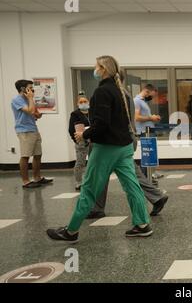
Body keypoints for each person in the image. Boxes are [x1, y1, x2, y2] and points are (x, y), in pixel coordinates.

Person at [47, 55, 152, 243]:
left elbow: (101, 124)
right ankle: (142, 224)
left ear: (103, 69)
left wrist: (84, 135)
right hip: (124, 146)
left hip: (107, 147)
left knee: (88, 188)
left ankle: (71, 231)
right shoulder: (120, 91)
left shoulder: (102, 92)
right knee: (132, 185)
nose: (94, 69)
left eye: (96, 66)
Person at [86, 70, 169, 219]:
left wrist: (86, 134)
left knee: (100, 174)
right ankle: (156, 197)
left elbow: (104, 121)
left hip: (111, 141)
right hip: (125, 139)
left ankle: (96, 208)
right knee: (131, 173)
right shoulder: (125, 95)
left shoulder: (108, 93)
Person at [11, 80, 53, 189]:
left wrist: (38, 114)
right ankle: (25, 181)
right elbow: (29, 111)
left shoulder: (29, 99)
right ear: (22, 89)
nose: (32, 90)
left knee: (38, 154)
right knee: (25, 156)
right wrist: (30, 98)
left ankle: (37, 177)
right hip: (24, 131)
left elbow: (35, 113)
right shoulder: (17, 100)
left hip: (33, 129)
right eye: (30, 88)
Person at [134, 84, 163, 180]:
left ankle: (150, 174)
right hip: (144, 131)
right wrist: (151, 117)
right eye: (151, 95)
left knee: (150, 154)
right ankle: (145, 178)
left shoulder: (143, 101)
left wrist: (152, 117)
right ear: (147, 91)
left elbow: (144, 116)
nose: (151, 97)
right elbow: (137, 117)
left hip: (149, 130)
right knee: (147, 155)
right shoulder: (137, 101)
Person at [68, 93, 91, 191]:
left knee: (93, 162)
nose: (83, 103)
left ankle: (90, 181)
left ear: (88, 102)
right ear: (77, 104)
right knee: (80, 163)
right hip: (81, 141)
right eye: (81, 102)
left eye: (85, 101)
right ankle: (78, 182)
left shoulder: (92, 112)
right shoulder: (75, 114)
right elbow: (71, 129)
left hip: (93, 141)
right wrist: (77, 141)